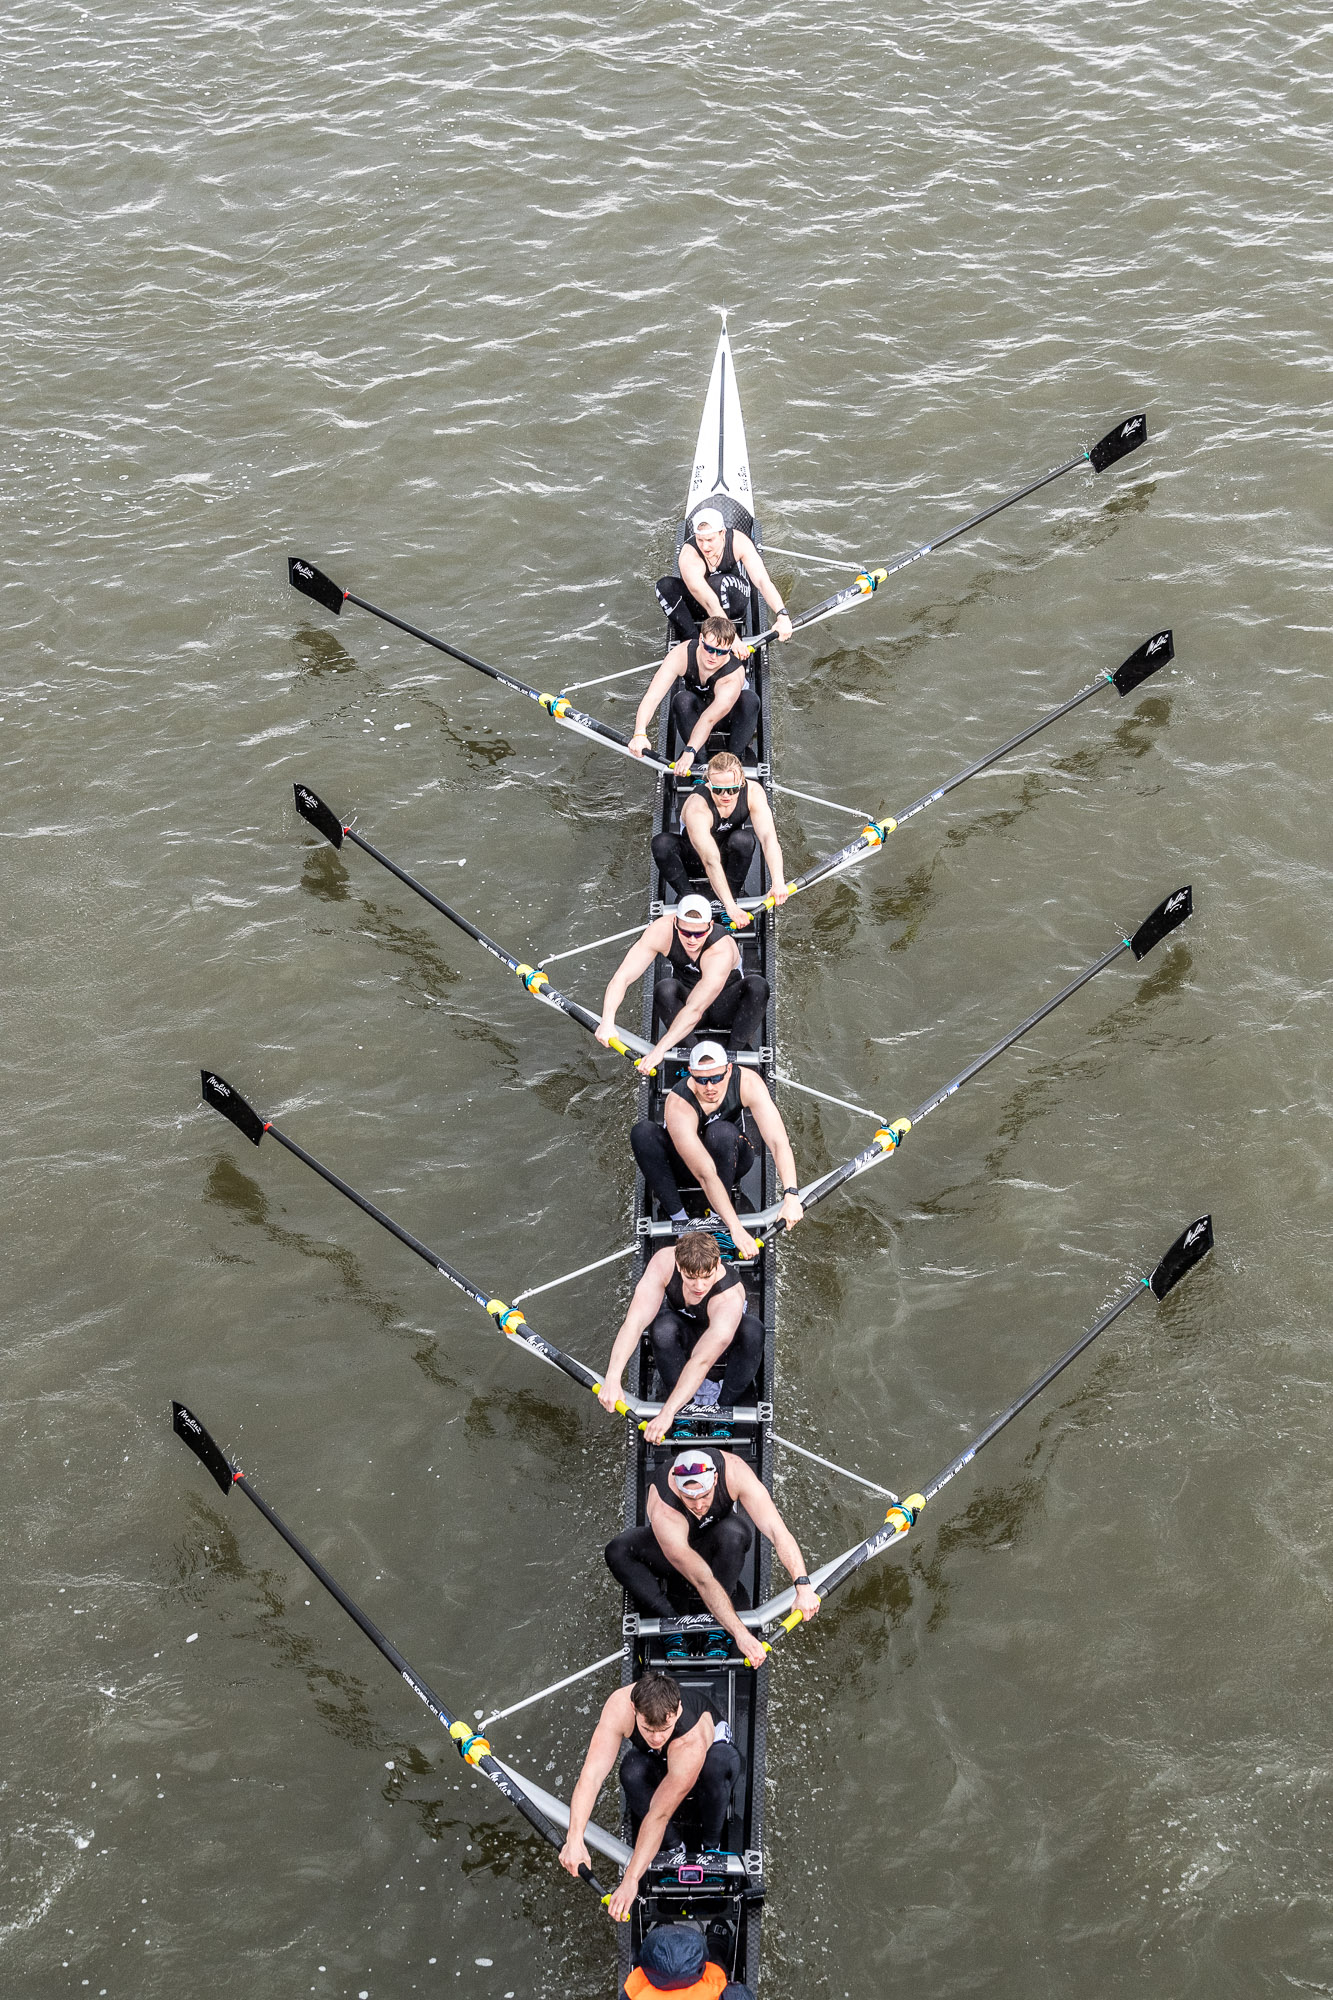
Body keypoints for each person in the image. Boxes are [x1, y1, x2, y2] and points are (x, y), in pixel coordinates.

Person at [605, 1449, 821, 1672]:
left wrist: (802, 1585)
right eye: (689, 1498)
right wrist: (741, 1634)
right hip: (676, 1556)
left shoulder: (735, 1472)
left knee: (735, 1533)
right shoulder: (665, 1510)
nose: (698, 1506)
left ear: (715, 1479)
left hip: (717, 1545)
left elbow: (778, 1532)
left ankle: (718, 1624)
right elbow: (703, 1580)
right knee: (617, 1551)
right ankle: (671, 1622)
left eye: (704, 1495)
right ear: (677, 1487)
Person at [561, 1672, 742, 1927]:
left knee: (718, 1765)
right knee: (631, 1771)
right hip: (665, 1762)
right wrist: (574, 1838)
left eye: (663, 1729)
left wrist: (631, 1880)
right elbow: (590, 1777)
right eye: (647, 1729)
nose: (656, 1738)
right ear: (634, 1709)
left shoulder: (689, 1740)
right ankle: (672, 1848)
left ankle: (710, 1845)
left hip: (707, 1760)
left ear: (677, 1712)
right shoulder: (619, 1706)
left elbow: (659, 1814)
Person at [630, 1041, 804, 1260]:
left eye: (716, 1078)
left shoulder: (748, 1083)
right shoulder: (679, 1103)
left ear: (729, 1070)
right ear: (691, 1073)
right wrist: (737, 1227)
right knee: (642, 1133)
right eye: (701, 1080)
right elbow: (705, 1173)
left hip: (732, 1159)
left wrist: (791, 1195)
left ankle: (717, 1221)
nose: (709, 1087)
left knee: (720, 1132)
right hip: (692, 1168)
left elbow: (778, 1142)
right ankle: (681, 1224)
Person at [599, 1232, 764, 1442]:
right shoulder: (663, 1262)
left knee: (753, 1330)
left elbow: (701, 1361)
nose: (699, 1286)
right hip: (686, 1334)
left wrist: (666, 1413)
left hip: (722, 1349)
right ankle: (684, 1410)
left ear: (718, 1263)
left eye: (706, 1276)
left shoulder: (727, 1298)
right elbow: (634, 1322)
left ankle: (724, 1408)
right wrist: (612, 1378)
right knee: (661, 1328)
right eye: (691, 1277)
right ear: (678, 1266)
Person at [597, 896, 769, 1069]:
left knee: (757, 986)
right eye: (685, 932)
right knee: (664, 989)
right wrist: (607, 1021)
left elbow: (695, 1010)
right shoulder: (660, 932)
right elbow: (622, 977)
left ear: (710, 926)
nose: (692, 940)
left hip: (724, 1009)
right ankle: (694, 1057)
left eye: (699, 934)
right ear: (675, 922)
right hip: (687, 1001)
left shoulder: (720, 950)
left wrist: (659, 1051)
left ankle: (733, 1055)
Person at [650, 752, 787, 933]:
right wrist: (730, 907)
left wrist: (778, 881)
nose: (725, 796)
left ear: (742, 782)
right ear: (709, 783)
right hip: (696, 858)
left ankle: (732, 893)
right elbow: (710, 861)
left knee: (744, 840)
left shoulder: (753, 792)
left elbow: (769, 839)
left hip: (728, 856)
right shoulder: (697, 807)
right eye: (718, 790)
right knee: (661, 843)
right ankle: (689, 898)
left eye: (732, 789)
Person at [627, 615, 760, 769]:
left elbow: (709, 718)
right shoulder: (681, 655)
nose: (713, 657)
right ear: (700, 638)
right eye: (709, 648)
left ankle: (734, 759)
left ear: (729, 649)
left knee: (750, 699)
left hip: (729, 720)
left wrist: (689, 750)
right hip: (696, 715)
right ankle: (700, 762)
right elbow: (652, 696)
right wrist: (639, 733)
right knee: (681, 700)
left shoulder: (731, 676)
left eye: (721, 652)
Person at [655, 505, 794, 648]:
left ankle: (725, 637)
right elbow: (709, 602)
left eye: (710, 540)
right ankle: (693, 642)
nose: (705, 547)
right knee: (664, 586)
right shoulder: (689, 556)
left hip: (735, 599)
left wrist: (782, 614)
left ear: (722, 533)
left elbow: (762, 581)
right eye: (700, 540)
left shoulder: (739, 542)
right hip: (707, 602)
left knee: (718, 583)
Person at [618, 1922, 730, 1999]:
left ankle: (663, 1927)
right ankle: (716, 1950)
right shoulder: (734, 1995)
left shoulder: (629, 1996)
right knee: (717, 1961)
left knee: (664, 1921)